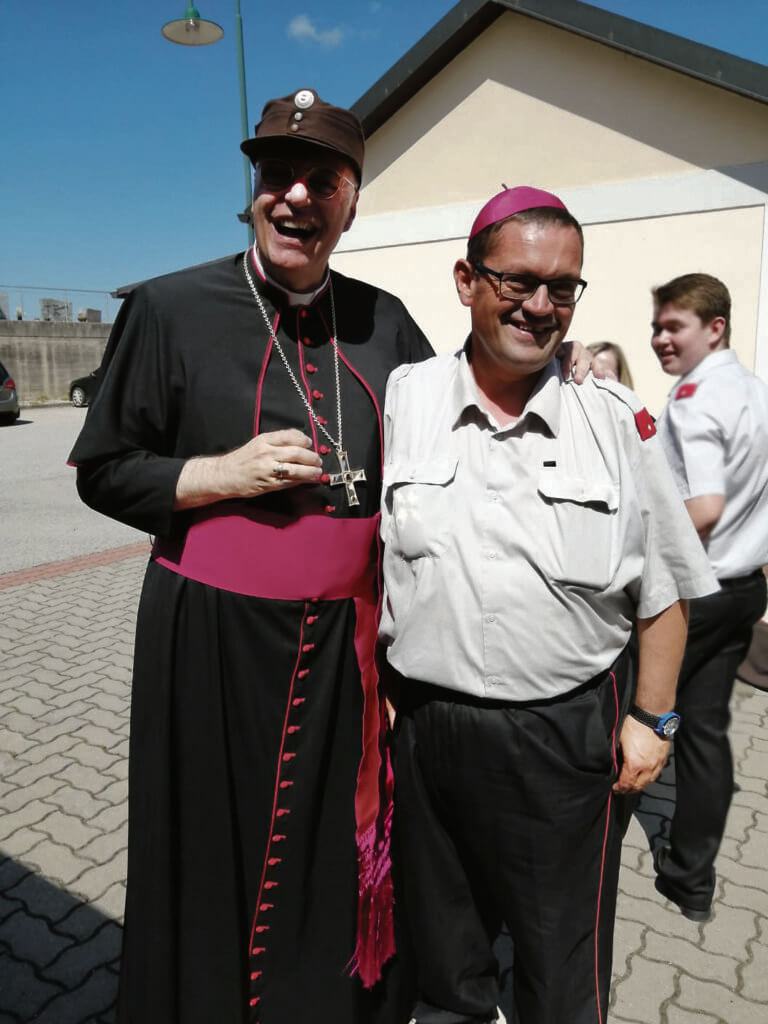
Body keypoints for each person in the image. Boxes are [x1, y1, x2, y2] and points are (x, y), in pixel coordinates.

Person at [68, 93, 592, 1024]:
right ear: (254, 192)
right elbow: (103, 470)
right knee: (215, 847)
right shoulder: (168, 308)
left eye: (324, 181)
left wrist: (559, 370)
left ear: (352, 202)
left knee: (332, 856)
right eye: (277, 175)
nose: (297, 196)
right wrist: (211, 474)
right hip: (214, 644)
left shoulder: (384, 323)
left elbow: (469, 397)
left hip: (348, 654)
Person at [379, 187, 716, 1024]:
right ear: (466, 281)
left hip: (562, 739)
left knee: (561, 973)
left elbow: (666, 584)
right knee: (442, 963)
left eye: (562, 288)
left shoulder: (614, 417)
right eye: (518, 281)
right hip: (424, 730)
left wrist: (655, 720)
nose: (540, 305)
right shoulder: (404, 397)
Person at [650, 273, 768, 921]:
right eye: (657, 326)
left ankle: (584, 860)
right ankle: (690, 883)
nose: (660, 339)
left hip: (697, 591)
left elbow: (705, 506)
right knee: (705, 732)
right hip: (745, 588)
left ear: (714, 328)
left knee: (626, 713)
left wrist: (636, 548)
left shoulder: (695, 400)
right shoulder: (754, 390)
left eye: (675, 326)